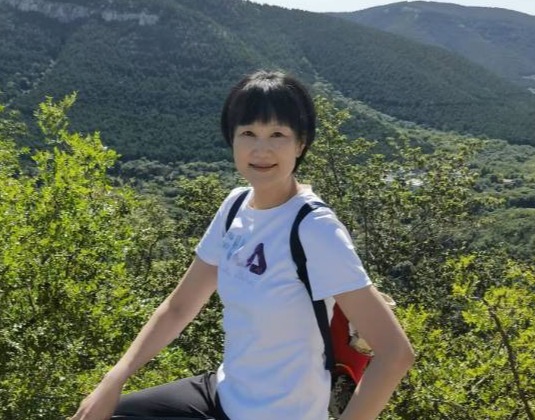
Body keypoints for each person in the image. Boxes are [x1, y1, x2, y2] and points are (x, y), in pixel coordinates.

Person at [71, 70, 414, 420]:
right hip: (223, 393)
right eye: (248, 133)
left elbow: (395, 353)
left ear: (301, 144)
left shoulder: (314, 228)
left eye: (278, 134)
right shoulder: (235, 206)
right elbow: (179, 307)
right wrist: (114, 379)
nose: (261, 149)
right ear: (232, 139)